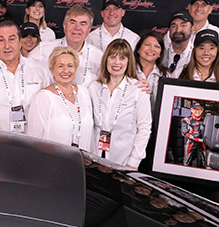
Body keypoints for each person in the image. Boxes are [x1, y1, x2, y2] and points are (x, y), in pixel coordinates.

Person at [89, 39, 152, 169]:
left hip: (124, 162)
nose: (117, 62)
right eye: (112, 57)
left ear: (129, 62)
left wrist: (133, 163)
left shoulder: (138, 89)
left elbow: (144, 129)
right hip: (94, 159)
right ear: (106, 59)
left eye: (122, 58)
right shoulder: (94, 87)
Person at [27, 46, 94, 150]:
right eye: (60, 66)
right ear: (52, 70)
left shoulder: (84, 92)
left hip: (83, 163)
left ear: (75, 68)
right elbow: (33, 141)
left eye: (70, 66)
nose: (66, 70)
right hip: (54, 163)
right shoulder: (43, 97)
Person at [32, 4, 102, 87]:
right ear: (64, 26)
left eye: (83, 24)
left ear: (89, 29)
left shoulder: (99, 57)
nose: (77, 28)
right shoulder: (43, 50)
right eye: (73, 22)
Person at [134, 31, 169, 108]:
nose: (151, 49)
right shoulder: (127, 70)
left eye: (157, 46)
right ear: (138, 49)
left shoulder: (166, 75)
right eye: (147, 44)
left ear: (160, 53)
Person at [165, 11, 195, 78]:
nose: (178, 30)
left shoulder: (197, 55)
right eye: (174, 26)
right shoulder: (160, 52)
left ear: (192, 29)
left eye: (183, 25)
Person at [181, 102, 206, 168]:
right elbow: (184, 133)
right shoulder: (186, 120)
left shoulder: (205, 121)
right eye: (195, 109)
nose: (197, 111)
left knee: (201, 162)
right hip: (190, 143)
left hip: (201, 144)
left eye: (199, 109)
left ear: (202, 110)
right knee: (186, 162)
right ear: (191, 110)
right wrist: (197, 139)